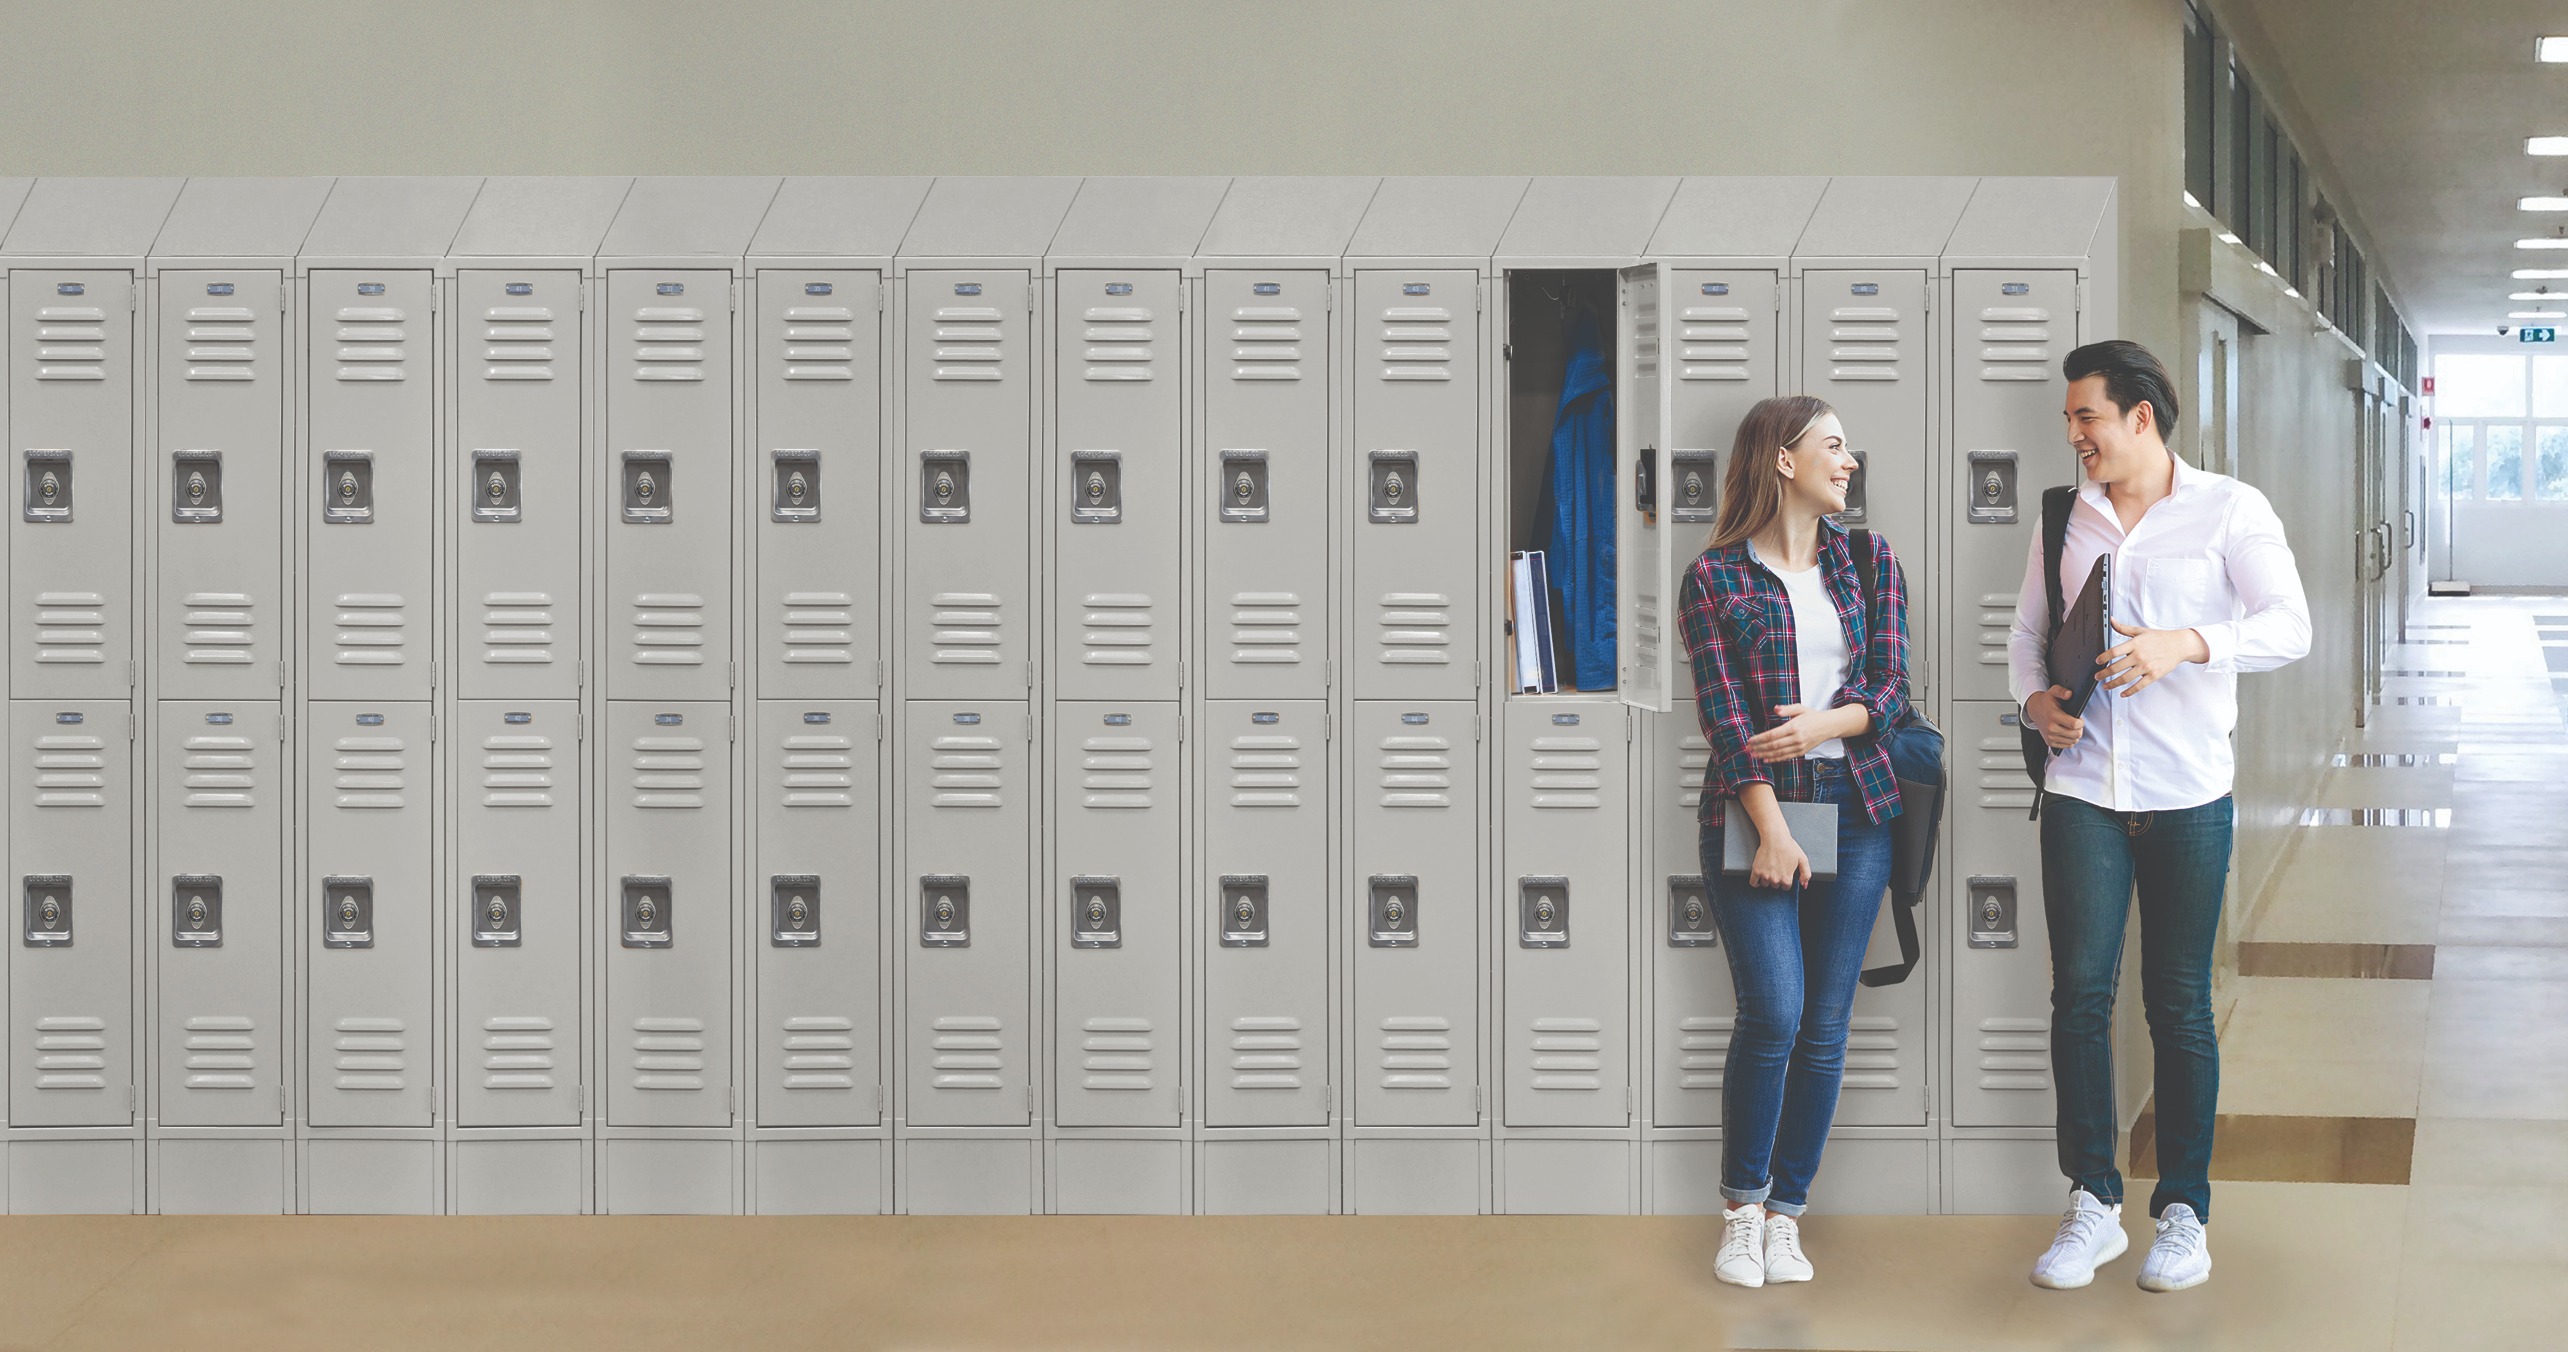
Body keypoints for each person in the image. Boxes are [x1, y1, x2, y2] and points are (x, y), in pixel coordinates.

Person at [2016, 340, 2310, 1294]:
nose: (2074, 437)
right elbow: (2026, 636)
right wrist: (2034, 705)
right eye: (2070, 421)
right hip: (2083, 794)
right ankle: (2093, 1203)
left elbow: (2288, 626)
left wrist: (2189, 641)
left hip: (2187, 796)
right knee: (2080, 1000)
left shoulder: (2230, 509)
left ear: (2140, 416)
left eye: (2086, 418)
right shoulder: (2067, 516)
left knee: (2179, 1007)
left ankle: (2183, 1211)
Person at [1675, 394, 1909, 1289]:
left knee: (1825, 1025)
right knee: (1773, 1011)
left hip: (1856, 802)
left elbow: (1890, 691)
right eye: (1834, 447)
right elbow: (1726, 721)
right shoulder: (1716, 578)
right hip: (1755, 810)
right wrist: (1770, 827)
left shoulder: (1868, 559)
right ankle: (1741, 1207)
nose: (1848, 463)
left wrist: (1821, 727)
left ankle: (1786, 1215)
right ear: (1783, 458)